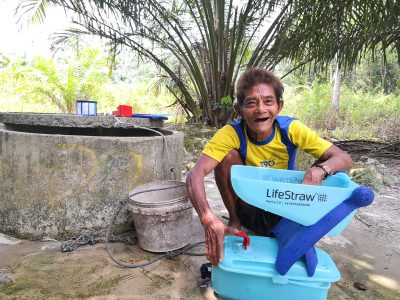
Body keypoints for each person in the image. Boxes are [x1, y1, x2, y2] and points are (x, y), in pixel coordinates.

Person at [186, 68, 353, 267]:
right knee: (225, 158)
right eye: (251, 103)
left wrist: (321, 169)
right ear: (239, 110)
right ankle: (235, 221)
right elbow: (195, 174)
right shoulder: (231, 133)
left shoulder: (290, 129)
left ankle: (292, 229)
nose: (260, 109)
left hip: (285, 208)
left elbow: (344, 157)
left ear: (279, 106)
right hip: (248, 206)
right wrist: (208, 219)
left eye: (268, 101)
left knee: (327, 164)